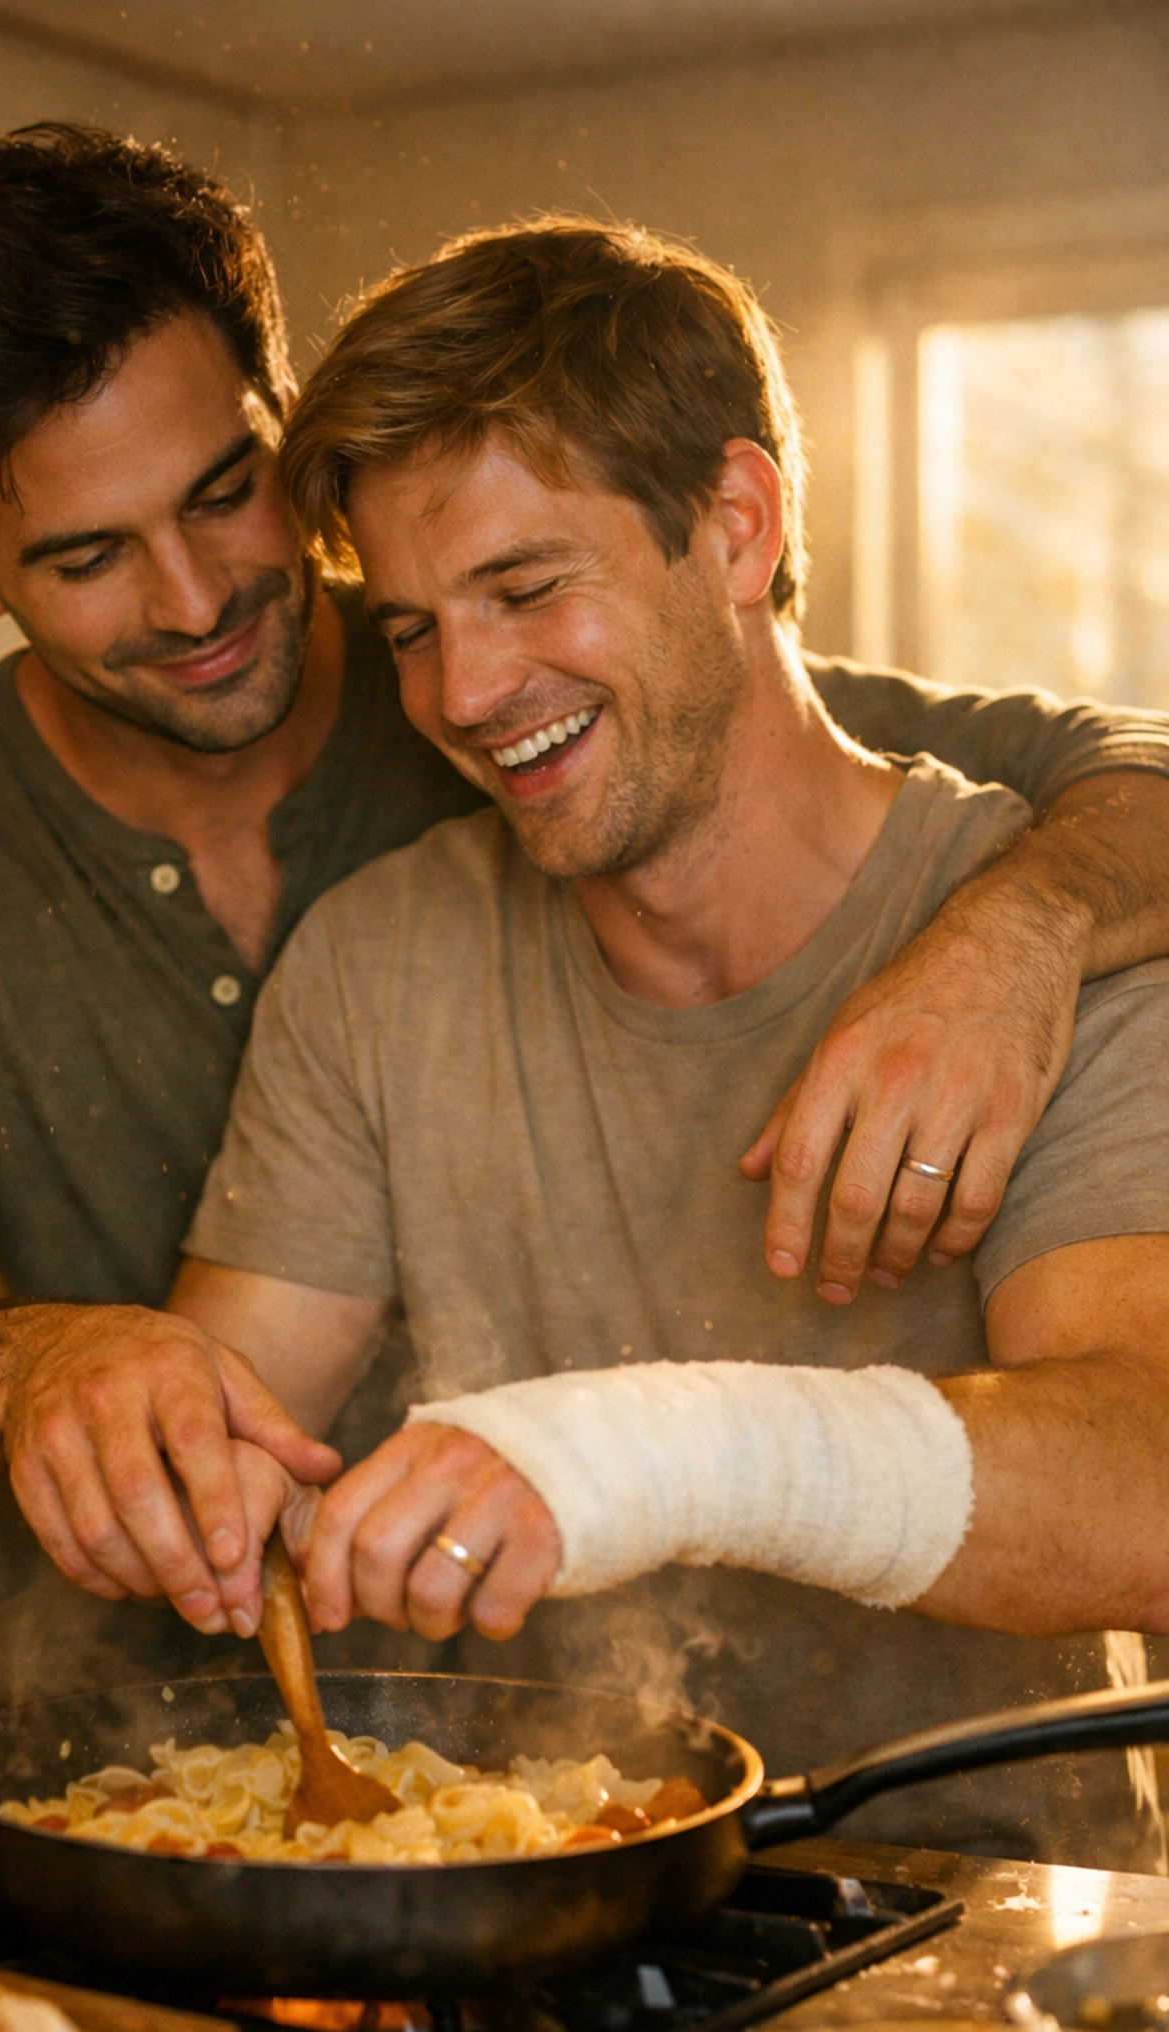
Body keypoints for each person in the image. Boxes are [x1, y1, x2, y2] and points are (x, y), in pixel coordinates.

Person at [0, 127, 1169, 1766]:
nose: (464, 693)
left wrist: (1027, 933)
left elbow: (878, 750)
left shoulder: (1008, 904)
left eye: (223, 495)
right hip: (311, 1809)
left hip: (949, 1892)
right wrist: (50, 1384)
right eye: (89, 556)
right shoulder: (322, 943)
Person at [171, 220, 1169, 1867]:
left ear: (735, 526)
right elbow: (233, 1441)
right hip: (516, 1888)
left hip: (969, 1919)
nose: (468, 691)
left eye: (526, 586)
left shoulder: (1044, 941)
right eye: (412, 627)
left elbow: (1146, 1492)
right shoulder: (379, 957)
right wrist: (138, 1436)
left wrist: (645, 1457)